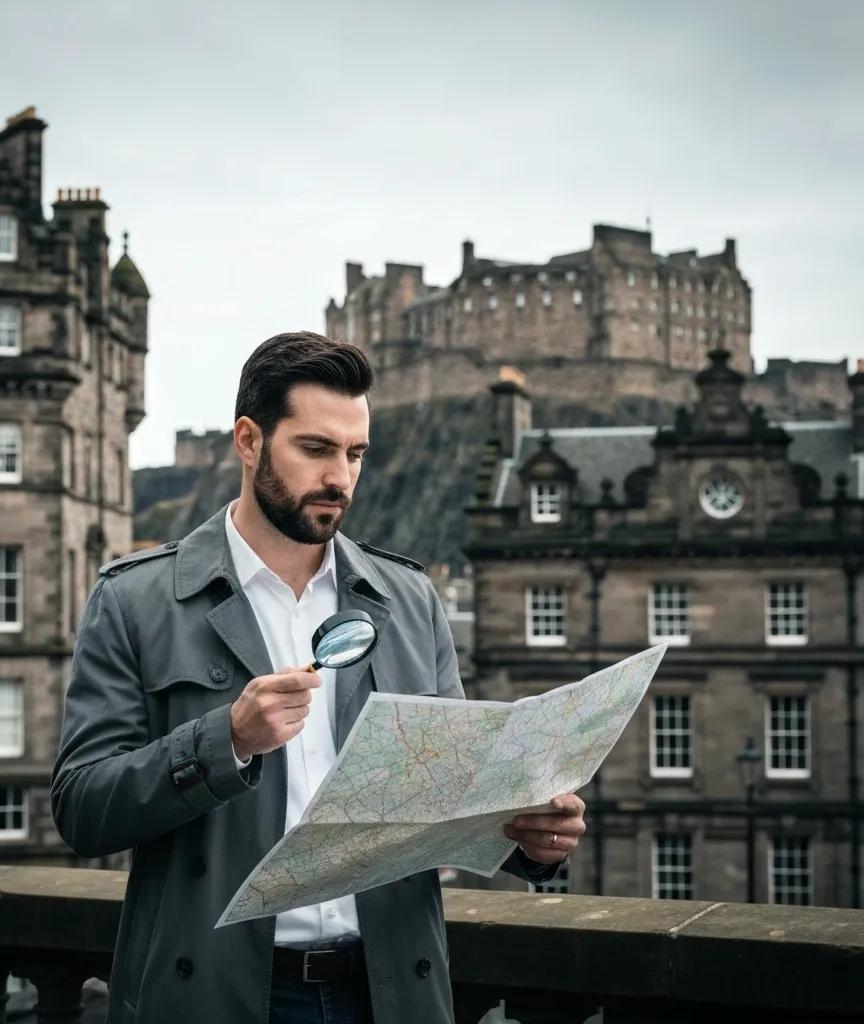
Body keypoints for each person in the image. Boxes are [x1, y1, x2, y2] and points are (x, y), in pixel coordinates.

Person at [51, 331, 586, 1024]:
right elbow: (82, 809)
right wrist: (227, 740)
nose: (340, 475)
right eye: (315, 449)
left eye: (355, 453)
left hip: (389, 988)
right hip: (221, 993)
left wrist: (527, 838)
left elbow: (453, 796)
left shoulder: (409, 598)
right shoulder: (135, 600)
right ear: (249, 441)